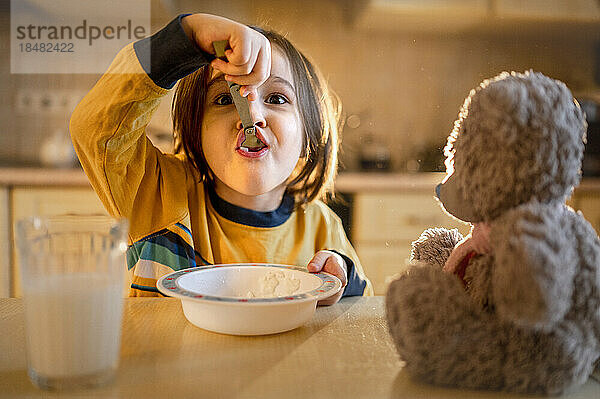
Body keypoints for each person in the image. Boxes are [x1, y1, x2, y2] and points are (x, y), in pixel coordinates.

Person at [70, 13, 372, 304]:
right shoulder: (159, 197)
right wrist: (186, 36)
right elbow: (95, 129)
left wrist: (342, 281)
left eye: (276, 99)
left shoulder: (322, 225)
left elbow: (362, 308)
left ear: (309, 130)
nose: (251, 115)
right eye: (226, 99)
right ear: (195, 128)